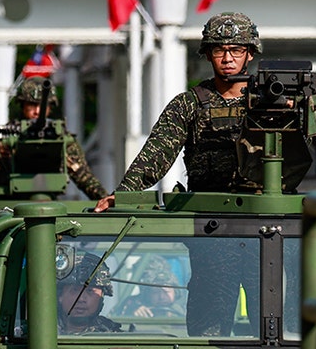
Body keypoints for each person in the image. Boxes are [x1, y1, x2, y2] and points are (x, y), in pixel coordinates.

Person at [95, 12, 263, 210]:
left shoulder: (268, 102)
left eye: (236, 50)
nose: (227, 58)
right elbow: (157, 152)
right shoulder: (189, 104)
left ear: (250, 53)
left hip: (262, 211)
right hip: (206, 213)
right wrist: (124, 193)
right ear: (208, 55)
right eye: (219, 50)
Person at [4, 76, 108, 200]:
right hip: (9, 203)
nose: (37, 111)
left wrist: (105, 200)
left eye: (42, 106)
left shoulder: (61, 138)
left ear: (50, 107)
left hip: (49, 203)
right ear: (22, 105)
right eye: (32, 104)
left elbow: (83, 176)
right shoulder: (6, 135)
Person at [57, 253, 121, 334]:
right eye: (74, 290)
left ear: (101, 297)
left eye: (90, 291)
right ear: (60, 296)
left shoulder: (114, 336)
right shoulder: (41, 332)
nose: (81, 299)